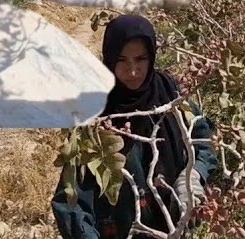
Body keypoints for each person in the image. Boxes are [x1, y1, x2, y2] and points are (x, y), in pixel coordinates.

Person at [52, 14, 219, 239]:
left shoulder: (170, 95)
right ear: (109, 59)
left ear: (152, 56)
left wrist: (193, 175)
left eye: (140, 59)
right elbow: (70, 203)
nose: (132, 72)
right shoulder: (95, 118)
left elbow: (203, 139)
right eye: (122, 60)